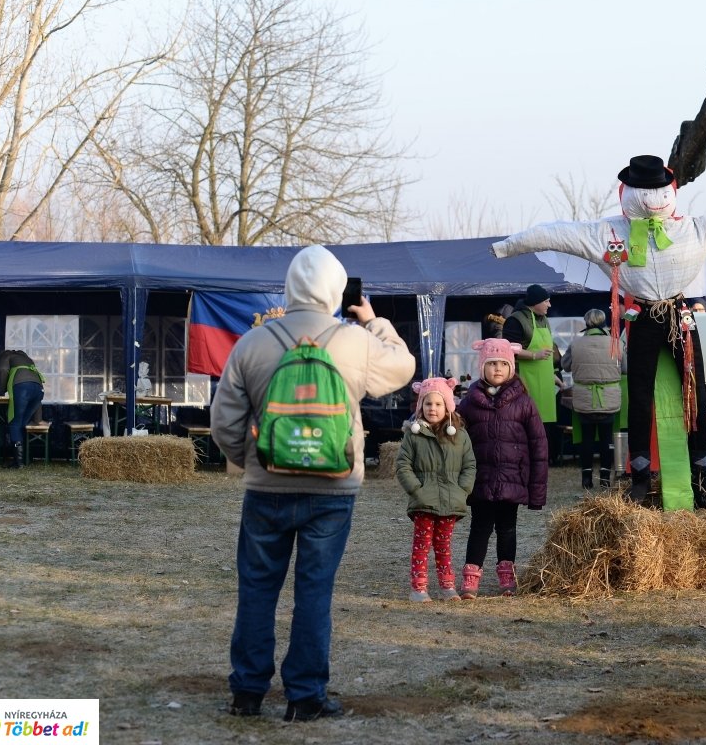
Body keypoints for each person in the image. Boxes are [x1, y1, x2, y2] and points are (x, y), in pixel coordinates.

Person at [491, 155, 706, 510]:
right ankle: (639, 474)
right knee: (639, 395)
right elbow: (555, 234)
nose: (652, 198)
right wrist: (507, 246)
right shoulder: (608, 233)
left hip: (679, 316)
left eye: (657, 189)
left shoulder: (695, 227)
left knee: (695, 391)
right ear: (629, 192)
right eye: (644, 190)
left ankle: (701, 474)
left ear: (670, 191)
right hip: (643, 317)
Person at [210, 244, 415, 722]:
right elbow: (404, 367)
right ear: (336, 290)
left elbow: (223, 422)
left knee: (257, 589)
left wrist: (255, 462)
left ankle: (247, 693)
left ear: (290, 287)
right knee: (314, 591)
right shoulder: (354, 343)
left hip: (266, 489)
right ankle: (305, 697)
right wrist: (373, 321)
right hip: (334, 490)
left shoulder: (253, 343)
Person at [457, 338, 548, 599]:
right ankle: (471, 576)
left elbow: (538, 445)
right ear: (482, 367)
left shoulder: (524, 402)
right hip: (481, 478)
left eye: (503, 364)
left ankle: (507, 574)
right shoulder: (470, 402)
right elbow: (455, 435)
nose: (497, 368)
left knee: (507, 528)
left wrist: (537, 489)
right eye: (492, 363)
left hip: (512, 478)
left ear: (512, 367)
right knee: (480, 527)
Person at [395, 376, 476, 603]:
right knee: (421, 545)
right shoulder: (414, 434)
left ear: (448, 406)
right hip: (424, 500)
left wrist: (463, 490)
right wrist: (416, 489)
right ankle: (419, 588)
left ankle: (447, 586)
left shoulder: (459, 436)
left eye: (438, 404)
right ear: (421, 406)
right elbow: (403, 464)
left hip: (451, 500)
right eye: (428, 404)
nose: (433, 408)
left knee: (444, 545)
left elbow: (469, 465)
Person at [560, 308, 624, 490]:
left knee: (586, 439)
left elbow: (565, 366)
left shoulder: (576, 344)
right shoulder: (616, 343)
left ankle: (586, 478)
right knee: (606, 439)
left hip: (584, 398)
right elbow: (625, 367)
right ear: (604, 321)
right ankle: (605, 478)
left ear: (586, 322)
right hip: (609, 397)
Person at [501, 284, 562, 463]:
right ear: (535, 302)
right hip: (524, 381)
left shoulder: (543, 319)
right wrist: (535, 355)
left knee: (542, 425)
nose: (549, 305)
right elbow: (509, 348)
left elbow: (548, 356)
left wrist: (553, 377)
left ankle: (541, 460)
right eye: (546, 301)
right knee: (527, 422)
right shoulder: (516, 320)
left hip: (544, 383)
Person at [0, 349, 44, 469]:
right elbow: (38, 402)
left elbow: (2, 370)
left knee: (14, 424)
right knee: (22, 424)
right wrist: (38, 419)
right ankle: (23, 460)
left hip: (22, 387)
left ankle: (19, 463)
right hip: (39, 389)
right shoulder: (27, 360)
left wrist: (2, 391)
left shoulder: (6, 356)